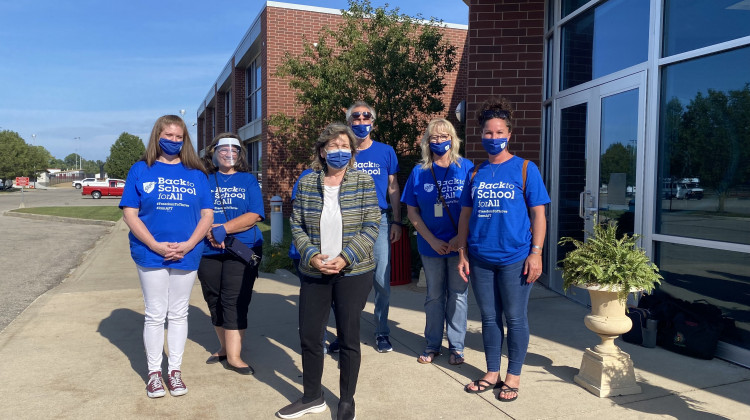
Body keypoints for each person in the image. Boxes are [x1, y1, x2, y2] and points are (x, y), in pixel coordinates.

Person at [277, 123, 380, 420]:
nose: (339, 151)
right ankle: (312, 397)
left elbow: (372, 225)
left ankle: (346, 400)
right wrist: (310, 255)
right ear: (322, 151)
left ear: (352, 151)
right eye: (333, 146)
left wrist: (346, 257)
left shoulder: (363, 182)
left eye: (344, 146)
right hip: (314, 271)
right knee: (310, 334)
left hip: (354, 272)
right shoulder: (308, 182)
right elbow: (296, 223)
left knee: (348, 336)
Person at [456, 97, 550, 402]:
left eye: (499, 132)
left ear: (509, 134)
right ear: (481, 135)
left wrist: (536, 253)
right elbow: (465, 216)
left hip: (516, 258)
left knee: (515, 317)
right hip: (481, 257)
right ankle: (492, 372)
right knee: (489, 317)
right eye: (488, 133)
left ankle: (513, 377)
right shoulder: (475, 173)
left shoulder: (525, 168)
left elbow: (539, 215)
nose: (493, 138)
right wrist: (462, 253)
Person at [119, 115, 214, 398]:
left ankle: (174, 371)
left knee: (179, 312)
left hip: (187, 252)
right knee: (155, 313)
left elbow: (207, 215)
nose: (173, 140)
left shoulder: (196, 174)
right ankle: (153, 374)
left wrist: (187, 244)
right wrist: (156, 245)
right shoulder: (140, 170)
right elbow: (130, 213)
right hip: (150, 253)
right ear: (157, 136)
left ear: (184, 140)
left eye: (178, 137)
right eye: (168, 135)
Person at [401, 118, 473, 365]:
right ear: (427, 141)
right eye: (434, 137)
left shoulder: (466, 167)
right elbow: (411, 211)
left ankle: (457, 347)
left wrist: (459, 239)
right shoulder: (418, 172)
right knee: (434, 296)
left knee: (458, 295)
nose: (440, 141)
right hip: (431, 247)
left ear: (453, 139)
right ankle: (432, 344)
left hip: (459, 246)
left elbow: (474, 208)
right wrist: (431, 240)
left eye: (444, 136)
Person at [197, 133, 264, 375]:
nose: (228, 153)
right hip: (207, 248)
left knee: (234, 300)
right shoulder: (204, 179)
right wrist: (208, 233)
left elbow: (255, 215)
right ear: (213, 152)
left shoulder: (248, 180)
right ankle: (224, 347)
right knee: (213, 298)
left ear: (240, 154)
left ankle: (235, 357)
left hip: (242, 248)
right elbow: (196, 212)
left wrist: (223, 230)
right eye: (223, 149)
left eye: (234, 149)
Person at [347, 101, 401, 353]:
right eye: (355, 118)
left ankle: (382, 332)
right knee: (346, 278)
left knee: (381, 280)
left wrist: (397, 221)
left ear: (373, 123)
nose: (360, 122)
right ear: (349, 123)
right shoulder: (342, 150)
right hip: (348, 221)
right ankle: (346, 333)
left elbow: (392, 187)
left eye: (365, 118)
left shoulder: (386, 151)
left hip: (378, 220)